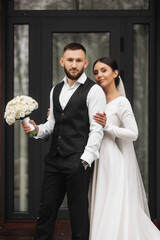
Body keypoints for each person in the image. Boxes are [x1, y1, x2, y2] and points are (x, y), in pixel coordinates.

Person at [22, 43, 106, 240]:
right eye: (70, 60)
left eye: (78, 60)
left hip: (77, 161)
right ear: (62, 62)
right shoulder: (55, 89)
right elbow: (51, 125)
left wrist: (85, 160)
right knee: (45, 213)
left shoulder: (94, 91)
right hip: (54, 161)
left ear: (85, 63)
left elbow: (96, 129)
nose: (74, 64)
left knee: (78, 217)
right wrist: (36, 130)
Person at [89, 57, 160, 240]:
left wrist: (108, 127)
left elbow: (133, 133)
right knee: (100, 204)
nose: (99, 75)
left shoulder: (122, 102)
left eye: (103, 70)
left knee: (112, 206)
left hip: (111, 160)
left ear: (115, 73)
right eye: (96, 72)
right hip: (94, 158)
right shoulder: (94, 98)